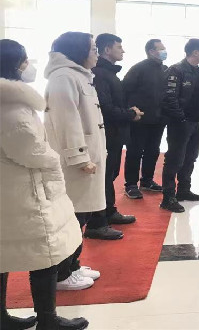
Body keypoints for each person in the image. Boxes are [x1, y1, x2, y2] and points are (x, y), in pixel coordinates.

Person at [0, 39, 89, 330]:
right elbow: (31, 152)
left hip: (9, 191)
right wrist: (54, 157)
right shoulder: (12, 109)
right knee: (45, 255)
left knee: (5, 254)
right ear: (14, 65)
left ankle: (2, 318)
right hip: (26, 193)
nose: (29, 66)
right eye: (25, 60)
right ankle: (48, 320)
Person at [45, 32, 106, 291]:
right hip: (76, 163)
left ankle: (73, 265)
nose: (96, 54)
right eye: (93, 49)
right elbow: (66, 120)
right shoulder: (63, 77)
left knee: (83, 213)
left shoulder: (80, 75)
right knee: (73, 217)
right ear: (78, 50)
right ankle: (62, 274)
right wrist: (79, 157)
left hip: (88, 156)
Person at [87, 33, 138, 238]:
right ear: (107, 50)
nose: (123, 50)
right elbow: (105, 108)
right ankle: (96, 222)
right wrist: (130, 114)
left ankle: (108, 212)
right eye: (119, 47)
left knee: (110, 175)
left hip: (114, 133)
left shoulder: (109, 73)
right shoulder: (99, 74)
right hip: (106, 133)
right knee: (103, 176)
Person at [160, 39, 199, 213]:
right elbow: (169, 98)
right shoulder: (176, 70)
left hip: (198, 121)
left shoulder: (198, 72)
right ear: (195, 52)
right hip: (181, 123)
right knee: (175, 159)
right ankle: (168, 197)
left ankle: (183, 190)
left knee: (190, 157)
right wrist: (181, 118)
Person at [122, 39, 169, 199]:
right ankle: (131, 184)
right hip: (139, 119)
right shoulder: (138, 69)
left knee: (153, 151)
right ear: (151, 51)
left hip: (158, 119)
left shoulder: (165, 69)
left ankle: (147, 180)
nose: (164, 51)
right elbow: (124, 90)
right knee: (135, 151)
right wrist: (131, 111)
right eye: (161, 49)